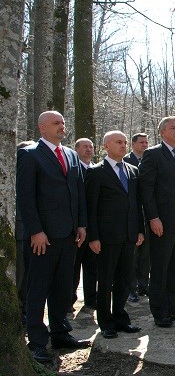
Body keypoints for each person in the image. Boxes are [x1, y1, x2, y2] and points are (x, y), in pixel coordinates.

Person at [16, 111, 90, 362]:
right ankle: (37, 341)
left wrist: (81, 224)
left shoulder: (70, 154)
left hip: (69, 234)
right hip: (42, 237)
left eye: (63, 122)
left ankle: (60, 332)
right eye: (56, 123)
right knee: (38, 288)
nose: (62, 126)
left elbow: (78, 192)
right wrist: (35, 230)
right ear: (42, 128)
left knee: (62, 287)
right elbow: (25, 197)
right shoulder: (29, 154)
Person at [139, 116, 175, 327]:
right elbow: (146, 190)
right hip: (161, 223)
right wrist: (153, 217)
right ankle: (160, 311)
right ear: (162, 132)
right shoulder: (153, 154)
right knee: (161, 268)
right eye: (173, 128)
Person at [85, 131, 144, 339]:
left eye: (125, 142)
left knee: (125, 280)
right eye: (118, 142)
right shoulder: (95, 172)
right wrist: (93, 236)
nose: (123, 145)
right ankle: (106, 322)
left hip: (129, 235)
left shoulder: (132, 170)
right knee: (106, 280)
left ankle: (121, 318)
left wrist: (139, 230)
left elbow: (136, 204)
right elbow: (90, 207)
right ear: (106, 146)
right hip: (106, 237)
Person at [124, 132, 150, 301]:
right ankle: (130, 288)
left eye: (146, 142)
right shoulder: (126, 161)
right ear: (133, 144)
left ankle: (144, 285)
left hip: (147, 213)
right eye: (141, 142)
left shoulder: (149, 159)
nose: (145, 145)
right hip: (132, 213)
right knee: (132, 254)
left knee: (146, 254)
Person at [72, 138, 98, 310]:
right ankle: (69, 299)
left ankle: (91, 299)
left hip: (94, 227)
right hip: (77, 226)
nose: (88, 149)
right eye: (85, 147)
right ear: (76, 150)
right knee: (74, 266)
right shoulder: (72, 169)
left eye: (91, 147)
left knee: (92, 266)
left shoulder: (97, 169)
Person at [15, 140, 36, 324]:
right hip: (17, 233)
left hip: (33, 234)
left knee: (30, 276)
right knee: (19, 276)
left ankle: (27, 310)